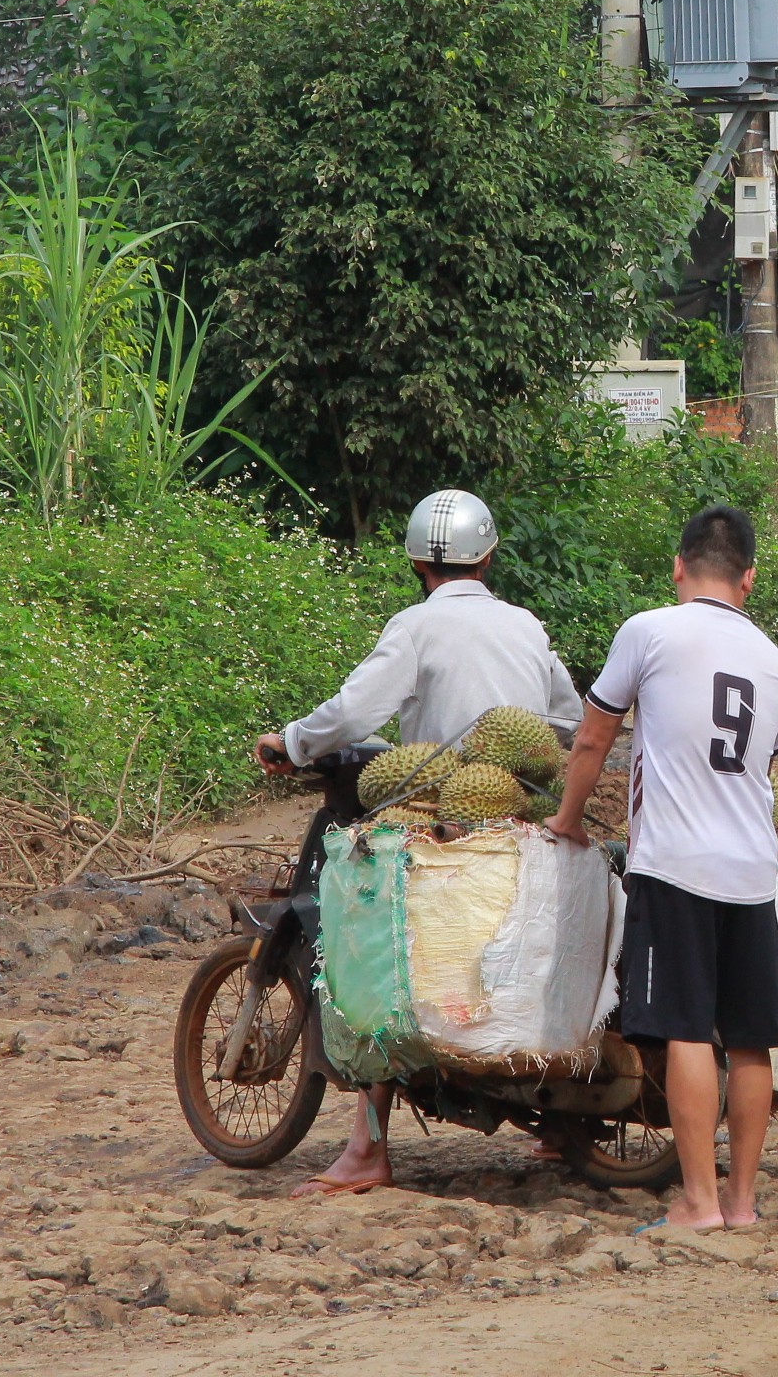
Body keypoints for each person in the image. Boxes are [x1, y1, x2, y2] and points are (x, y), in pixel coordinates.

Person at [254, 488, 582, 1198]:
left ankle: (368, 1148)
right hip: (523, 814)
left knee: (372, 949)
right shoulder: (525, 624)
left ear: (413, 563)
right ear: (488, 558)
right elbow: (566, 718)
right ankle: (561, 1125)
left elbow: (356, 710)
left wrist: (292, 741)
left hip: (441, 814)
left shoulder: (414, 626)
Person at [549, 505, 778, 1232]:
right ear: (750, 578)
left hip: (676, 864)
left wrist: (565, 821)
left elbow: (593, 739)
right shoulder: (775, 664)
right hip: (752, 866)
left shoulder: (649, 630)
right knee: (749, 1039)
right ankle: (743, 1204)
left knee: (687, 1029)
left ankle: (698, 1202)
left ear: (679, 567)